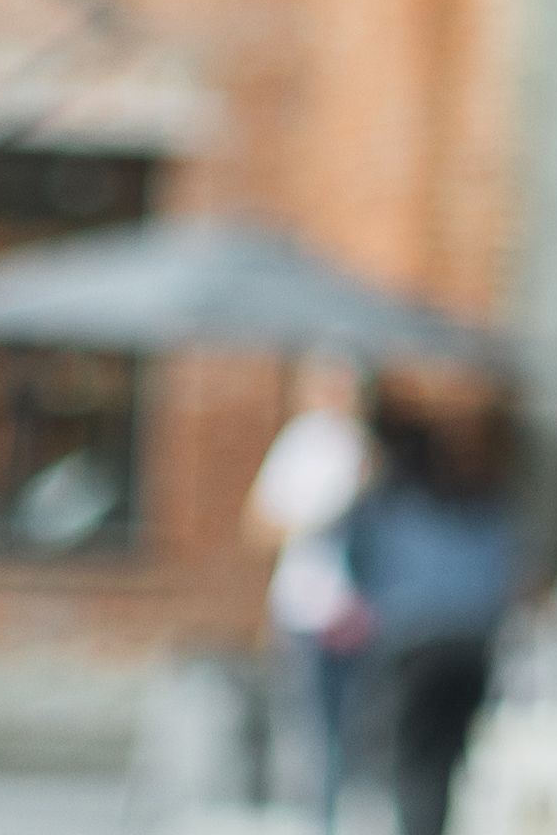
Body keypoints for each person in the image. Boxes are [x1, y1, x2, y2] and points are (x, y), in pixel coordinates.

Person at [343, 410, 519, 835]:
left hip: (417, 648)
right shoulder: (483, 506)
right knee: (444, 760)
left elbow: (357, 565)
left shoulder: (390, 508)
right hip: (471, 647)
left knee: (414, 761)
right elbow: (508, 578)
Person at [246, 348, 379, 823]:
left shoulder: (364, 447)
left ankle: (331, 815)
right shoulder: (302, 442)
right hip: (306, 605)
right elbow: (259, 524)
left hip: (357, 609)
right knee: (308, 722)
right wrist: (320, 516)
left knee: (348, 725)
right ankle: (310, 818)